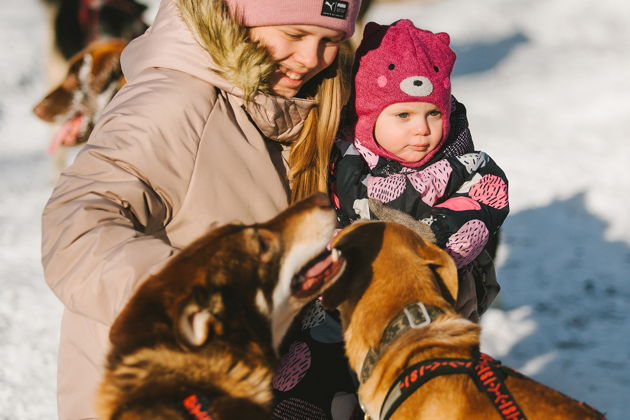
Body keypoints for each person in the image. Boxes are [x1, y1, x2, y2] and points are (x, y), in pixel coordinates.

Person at [40, 0, 362, 418]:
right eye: (295, 35)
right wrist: (191, 295)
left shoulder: (299, 103)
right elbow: (76, 223)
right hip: (157, 399)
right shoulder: (175, 100)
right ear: (239, 16)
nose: (312, 59)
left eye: (330, 40)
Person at [330, 19, 510, 321]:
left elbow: (477, 213)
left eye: (434, 113)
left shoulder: (461, 164)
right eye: (404, 115)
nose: (422, 129)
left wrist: (428, 241)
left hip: (437, 301)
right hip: (352, 305)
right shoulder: (343, 161)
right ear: (367, 117)